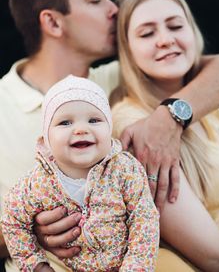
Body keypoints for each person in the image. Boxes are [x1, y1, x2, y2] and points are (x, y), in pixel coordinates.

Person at [0, 0, 219, 272]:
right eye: (97, 0)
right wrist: (29, 226)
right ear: (53, 22)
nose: (114, 9)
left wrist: (170, 116)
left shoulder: (114, 79)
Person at [111, 0, 219, 271]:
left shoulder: (206, 103)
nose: (165, 40)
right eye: (147, 33)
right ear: (126, 49)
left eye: (176, 26)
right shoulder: (133, 127)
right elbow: (217, 257)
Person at [2, 75, 159, 272]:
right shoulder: (37, 182)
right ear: (47, 137)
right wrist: (36, 264)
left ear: (109, 128)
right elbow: (12, 221)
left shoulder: (124, 170)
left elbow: (144, 219)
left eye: (94, 120)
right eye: (65, 123)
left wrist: (135, 267)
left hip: (126, 264)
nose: (81, 129)